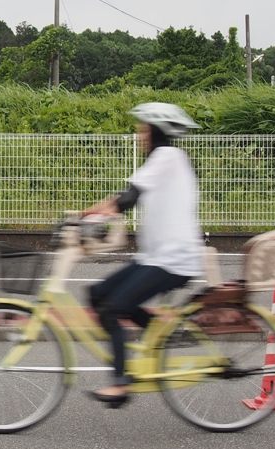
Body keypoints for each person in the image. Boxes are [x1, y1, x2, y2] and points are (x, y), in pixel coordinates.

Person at [84, 102, 204, 407]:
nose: (138, 133)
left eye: (142, 128)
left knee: (111, 309)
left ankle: (121, 383)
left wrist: (97, 218)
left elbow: (128, 198)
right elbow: (125, 195)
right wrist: (88, 214)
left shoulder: (166, 156)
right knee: (97, 294)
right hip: (156, 257)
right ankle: (161, 331)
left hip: (173, 259)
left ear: (153, 130)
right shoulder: (165, 160)